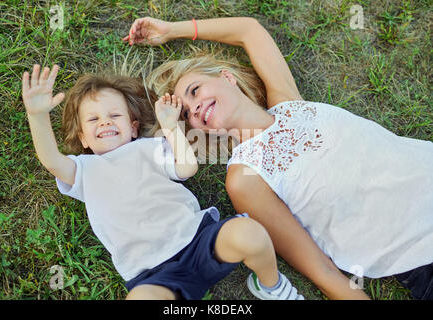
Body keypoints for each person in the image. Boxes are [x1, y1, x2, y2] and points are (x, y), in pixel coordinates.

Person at [124, 17, 433, 300]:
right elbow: (320, 268)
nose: (195, 109)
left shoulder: (288, 102)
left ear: (226, 78)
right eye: (188, 115)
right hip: (418, 252)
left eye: (194, 91)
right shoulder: (246, 178)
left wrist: (171, 30)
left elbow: (249, 31)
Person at [21, 64, 305, 300]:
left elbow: (187, 167)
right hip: (153, 273)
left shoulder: (148, 147)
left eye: (114, 116)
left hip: (198, 240)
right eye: (93, 120)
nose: (105, 123)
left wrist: (170, 128)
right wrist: (37, 115)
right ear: (82, 138)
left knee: (250, 234)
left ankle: (272, 286)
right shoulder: (83, 169)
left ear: (133, 128)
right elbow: (51, 159)